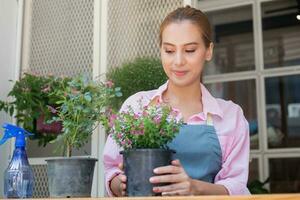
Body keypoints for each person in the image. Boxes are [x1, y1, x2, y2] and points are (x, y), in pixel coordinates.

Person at [103, 6, 250, 196]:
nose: (178, 61)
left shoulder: (231, 116)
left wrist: (194, 187)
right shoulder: (137, 106)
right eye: (169, 50)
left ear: (208, 51)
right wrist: (121, 184)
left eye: (189, 50)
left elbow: (236, 187)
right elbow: (111, 170)